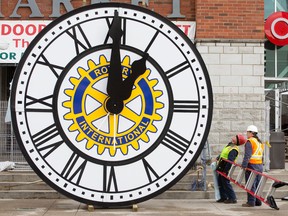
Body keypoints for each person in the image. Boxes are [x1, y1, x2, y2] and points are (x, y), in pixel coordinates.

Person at [215, 133, 247, 204]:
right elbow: (224, 153)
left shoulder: (234, 149)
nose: (233, 137)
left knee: (226, 183)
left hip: (226, 168)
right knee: (220, 182)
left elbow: (230, 161)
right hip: (222, 166)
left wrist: (226, 170)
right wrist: (218, 157)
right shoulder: (230, 145)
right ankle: (223, 197)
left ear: (237, 141)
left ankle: (232, 198)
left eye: (235, 137)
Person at [241, 125, 264, 207]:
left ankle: (251, 202)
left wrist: (244, 165)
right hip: (260, 165)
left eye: (247, 132)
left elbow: (247, 155)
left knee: (250, 184)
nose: (246, 133)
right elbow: (262, 155)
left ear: (251, 133)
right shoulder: (259, 142)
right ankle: (258, 201)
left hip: (252, 165)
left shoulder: (249, 141)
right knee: (258, 184)